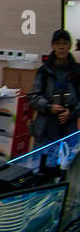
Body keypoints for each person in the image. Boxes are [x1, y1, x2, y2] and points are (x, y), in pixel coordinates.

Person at [28, 29, 79, 173]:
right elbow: (33, 97)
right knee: (39, 170)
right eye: (58, 44)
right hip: (46, 129)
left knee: (66, 170)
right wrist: (49, 106)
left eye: (65, 43)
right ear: (52, 46)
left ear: (69, 45)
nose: (61, 47)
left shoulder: (77, 72)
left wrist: (72, 111)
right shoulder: (44, 71)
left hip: (69, 129)